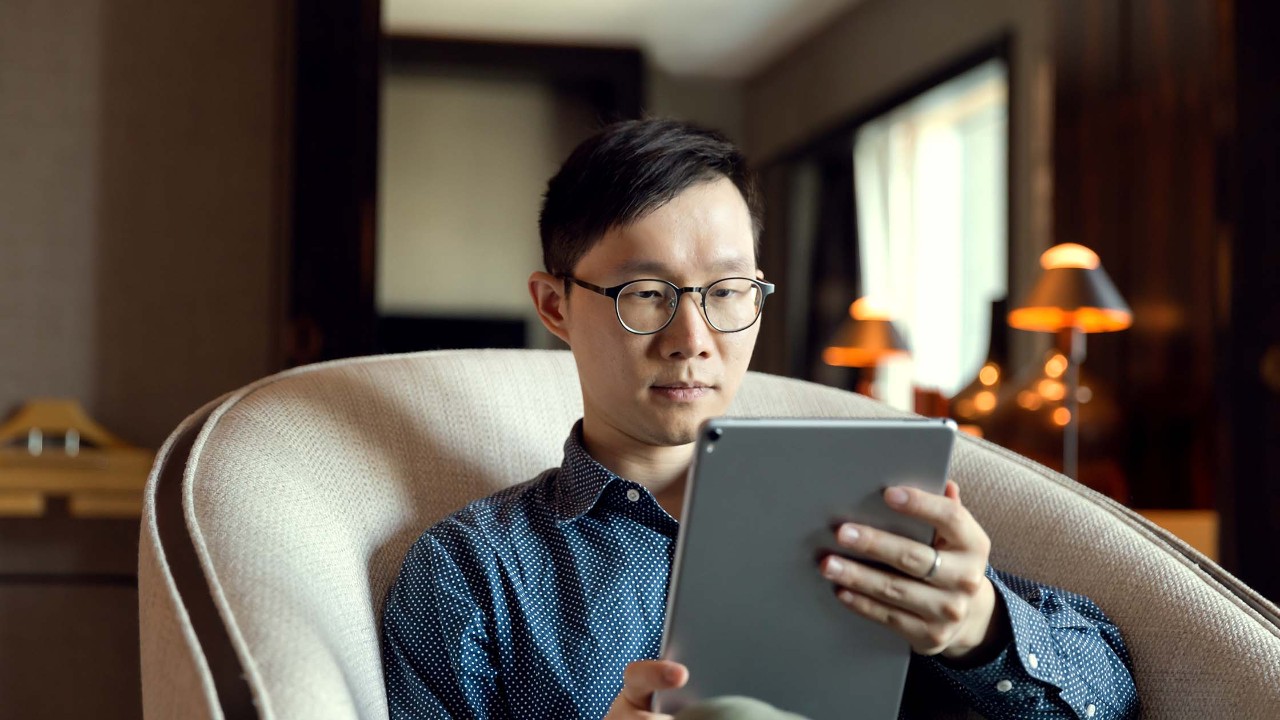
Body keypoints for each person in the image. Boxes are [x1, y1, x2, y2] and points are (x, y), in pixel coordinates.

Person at [380, 118, 1138, 720]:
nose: (693, 340)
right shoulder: (472, 570)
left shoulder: (861, 507)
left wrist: (978, 632)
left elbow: (1113, 691)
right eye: (646, 294)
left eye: (727, 292)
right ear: (555, 306)